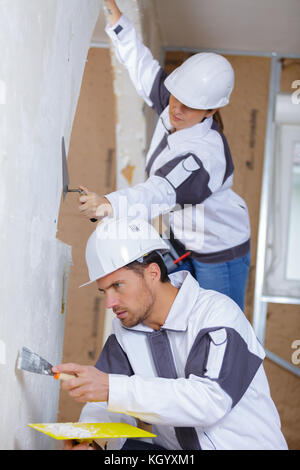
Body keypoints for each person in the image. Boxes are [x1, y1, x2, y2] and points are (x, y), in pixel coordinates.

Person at [53, 217, 287, 451]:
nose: (110, 303)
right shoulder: (126, 330)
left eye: (118, 286)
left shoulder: (216, 316)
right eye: (104, 291)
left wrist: (112, 388)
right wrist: (90, 440)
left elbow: (209, 401)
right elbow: (105, 401)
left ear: (153, 273)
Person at [78, 0, 251, 312]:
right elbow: (142, 67)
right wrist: (116, 18)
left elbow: (161, 190)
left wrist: (110, 203)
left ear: (211, 110)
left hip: (219, 250)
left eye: (189, 105)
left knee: (216, 325)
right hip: (187, 234)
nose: (176, 109)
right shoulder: (176, 106)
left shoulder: (204, 156)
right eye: (175, 97)